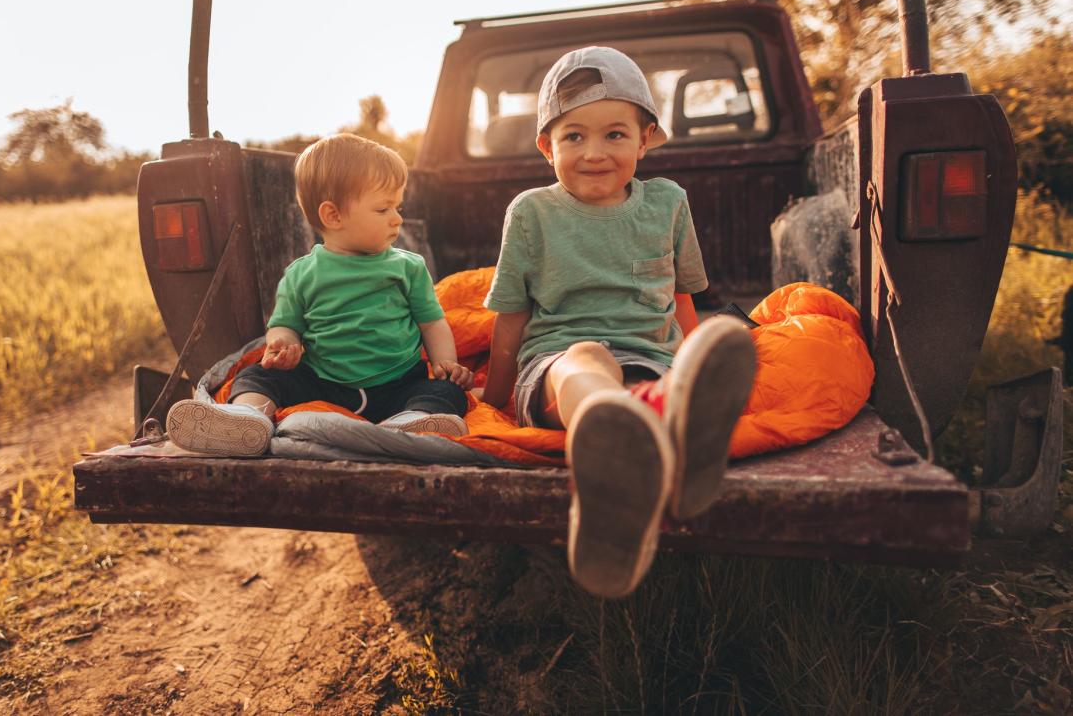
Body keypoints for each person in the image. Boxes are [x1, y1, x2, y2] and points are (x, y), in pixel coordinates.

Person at [480, 46, 757, 598]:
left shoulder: (669, 204)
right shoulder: (531, 213)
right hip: (559, 366)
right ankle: (614, 436)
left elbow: (681, 299)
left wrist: (691, 362)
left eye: (615, 134)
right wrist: (493, 399)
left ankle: (663, 418)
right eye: (573, 136)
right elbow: (512, 316)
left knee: (651, 370)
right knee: (589, 358)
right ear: (546, 147)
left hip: (648, 358)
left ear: (646, 138)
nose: (594, 153)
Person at [167, 133, 474, 456]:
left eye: (398, 206)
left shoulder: (408, 267)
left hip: (397, 384)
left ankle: (412, 420)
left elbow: (432, 322)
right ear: (333, 216)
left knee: (446, 390)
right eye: (383, 208)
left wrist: (445, 363)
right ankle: (247, 417)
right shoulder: (302, 274)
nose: (397, 218)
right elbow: (284, 324)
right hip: (322, 381)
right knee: (255, 375)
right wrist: (282, 343)